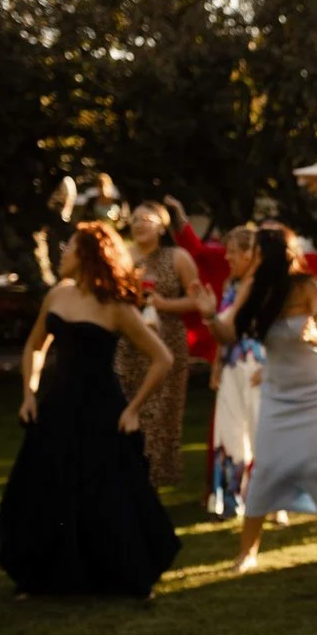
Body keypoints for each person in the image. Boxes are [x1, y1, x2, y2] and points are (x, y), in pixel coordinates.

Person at [0, 223, 180, 597]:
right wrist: (29, 394)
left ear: (87, 255)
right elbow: (34, 347)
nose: (63, 253)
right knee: (46, 485)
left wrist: (133, 409)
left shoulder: (116, 306)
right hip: (58, 405)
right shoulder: (58, 294)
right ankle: (41, 575)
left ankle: (123, 572)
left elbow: (163, 358)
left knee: (107, 490)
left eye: (70, 247)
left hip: (101, 408)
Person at [191, 227, 317, 572]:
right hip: (280, 394)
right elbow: (228, 335)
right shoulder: (254, 291)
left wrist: (313, 334)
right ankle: (247, 553)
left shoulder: (309, 286)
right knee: (266, 469)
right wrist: (209, 315)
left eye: (257, 253)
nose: (251, 259)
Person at [163, 193, 317, 365]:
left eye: (275, 240)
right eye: (263, 239)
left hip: (307, 377)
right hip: (257, 372)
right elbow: (197, 252)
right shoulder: (246, 283)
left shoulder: (305, 281)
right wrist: (210, 317)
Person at [114, 202, 199, 488]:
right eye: (135, 219)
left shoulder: (178, 257)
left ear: (162, 226)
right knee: (126, 403)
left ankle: (156, 476)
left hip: (168, 342)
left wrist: (164, 304)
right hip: (129, 343)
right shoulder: (122, 257)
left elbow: (197, 300)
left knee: (163, 411)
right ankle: (125, 472)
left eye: (146, 219)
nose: (139, 224)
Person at [207, 227, 262, 520]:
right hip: (231, 364)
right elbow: (223, 329)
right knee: (229, 430)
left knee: (258, 430)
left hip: (255, 364)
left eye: (232, 252)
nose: (226, 258)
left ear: (248, 254)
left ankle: (268, 500)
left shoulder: (262, 286)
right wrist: (217, 364)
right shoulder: (231, 283)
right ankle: (231, 498)